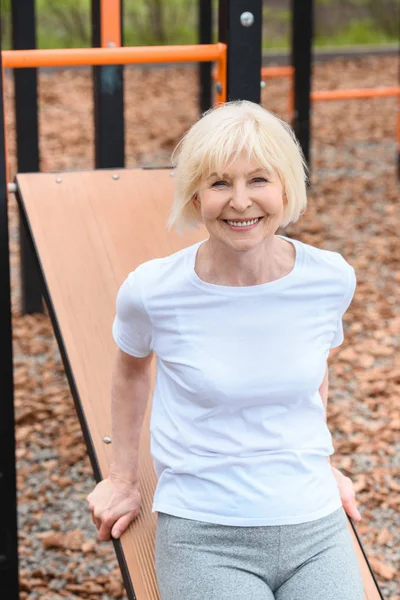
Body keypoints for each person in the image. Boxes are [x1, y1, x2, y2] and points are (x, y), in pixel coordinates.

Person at [87, 100, 365, 599]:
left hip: (314, 526)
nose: (241, 202)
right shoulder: (154, 291)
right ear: (195, 196)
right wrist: (123, 480)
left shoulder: (329, 278)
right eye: (219, 183)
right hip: (206, 531)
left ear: (286, 188)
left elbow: (311, 374)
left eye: (259, 180)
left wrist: (321, 466)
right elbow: (130, 373)